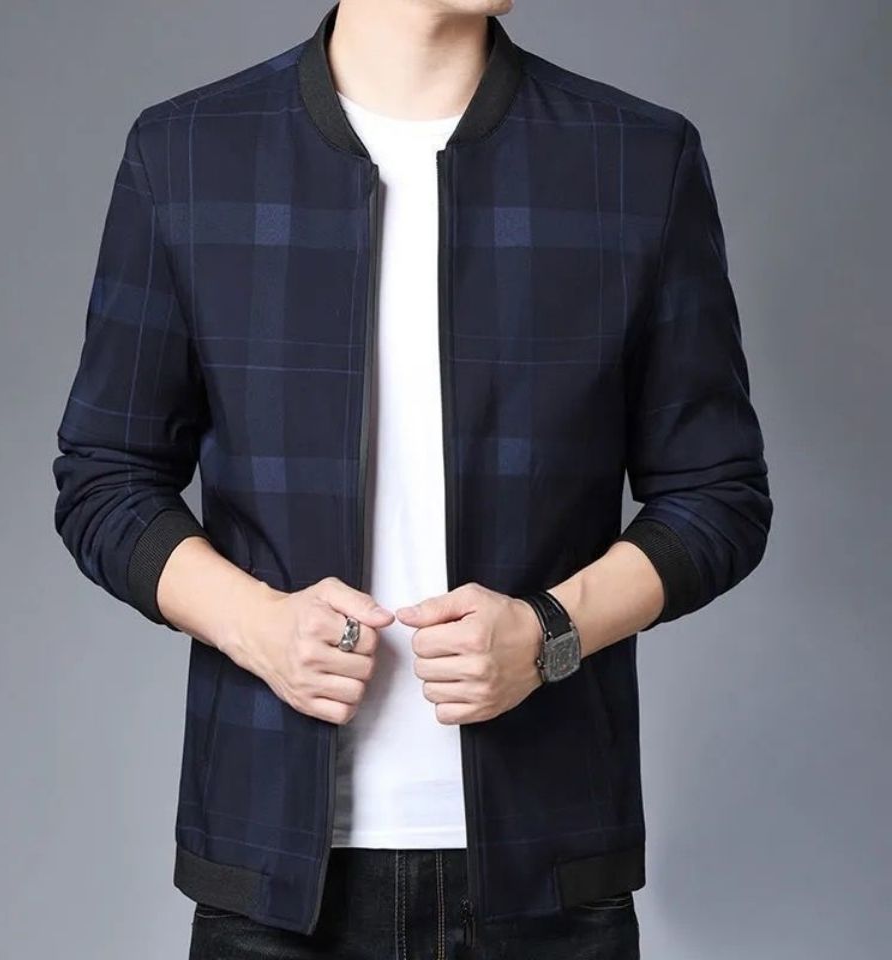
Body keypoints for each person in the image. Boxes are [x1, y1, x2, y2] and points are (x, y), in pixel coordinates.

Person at [51, 0, 773, 956]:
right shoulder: (189, 153)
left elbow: (718, 495)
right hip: (270, 875)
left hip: (551, 868)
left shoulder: (635, 159)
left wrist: (549, 634)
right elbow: (106, 476)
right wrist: (257, 626)